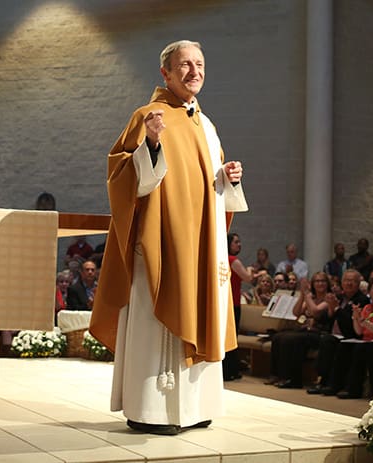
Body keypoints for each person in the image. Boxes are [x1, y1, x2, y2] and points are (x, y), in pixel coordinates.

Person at [89, 40, 248, 436]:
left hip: (200, 245)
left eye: (200, 64)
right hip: (161, 244)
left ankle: (196, 408)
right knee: (157, 317)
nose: (194, 71)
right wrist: (152, 145)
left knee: (202, 310)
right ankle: (152, 411)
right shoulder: (148, 115)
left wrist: (226, 178)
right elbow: (122, 178)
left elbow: (208, 191)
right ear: (166, 73)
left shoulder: (207, 126)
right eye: (184, 65)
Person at [307, 269, 369, 395]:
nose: (349, 284)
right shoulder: (339, 298)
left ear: (358, 283)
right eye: (346, 280)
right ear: (342, 282)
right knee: (326, 340)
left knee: (330, 342)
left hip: (351, 335)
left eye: (352, 281)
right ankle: (323, 381)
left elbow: (350, 325)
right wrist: (331, 309)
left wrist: (336, 308)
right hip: (334, 334)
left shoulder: (362, 300)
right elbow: (327, 320)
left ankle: (333, 384)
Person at [270, 272, 334, 389]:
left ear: (327, 284)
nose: (320, 284)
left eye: (322, 281)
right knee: (278, 337)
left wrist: (307, 296)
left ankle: (294, 379)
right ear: (313, 284)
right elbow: (296, 312)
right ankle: (277, 374)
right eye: (317, 281)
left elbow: (315, 312)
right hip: (306, 331)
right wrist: (302, 296)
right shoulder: (311, 297)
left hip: (320, 333)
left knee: (291, 339)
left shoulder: (329, 298)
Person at [224, 233, 257, 381]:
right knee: (232, 337)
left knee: (226, 337)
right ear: (229, 244)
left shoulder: (223, 259)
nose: (239, 244)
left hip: (226, 303)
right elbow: (248, 278)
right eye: (236, 242)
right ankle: (230, 370)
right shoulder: (233, 260)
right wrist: (251, 269)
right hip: (233, 304)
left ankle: (228, 369)